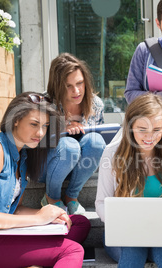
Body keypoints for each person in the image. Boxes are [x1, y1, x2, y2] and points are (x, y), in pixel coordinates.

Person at [0, 92, 91, 268]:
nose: (41, 132)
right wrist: (39, 218)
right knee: (72, 250)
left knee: (78, 223)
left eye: (45, 125)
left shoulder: (23, 155)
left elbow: (14, 210)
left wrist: (50, 214)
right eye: (34, 124)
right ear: (16, 120)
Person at [95, 94, 162, 268]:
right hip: (122, 236)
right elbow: (101, 203)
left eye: (156, 130)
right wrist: (123, 223)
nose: (149, 137)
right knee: (133, 248)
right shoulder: (112, 155)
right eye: (142, 129)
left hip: (161, 236)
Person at [39, 53, 106, 215]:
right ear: (57, 86)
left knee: (97, 141)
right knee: (69, 146)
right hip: (48, 166)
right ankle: (51, 198)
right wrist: (61, 128)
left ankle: (71, 197)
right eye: (68, 86)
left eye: (80, 83)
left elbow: (99, 143)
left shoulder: (95, 104)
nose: (76, 91)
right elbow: (33, 144)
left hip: (81, 168)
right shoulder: (44, 104)